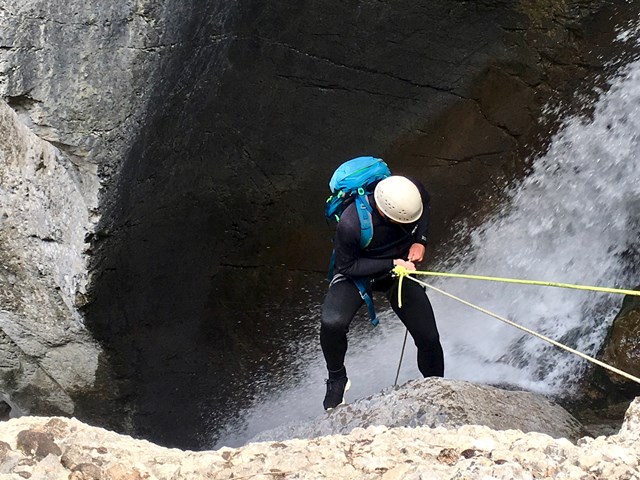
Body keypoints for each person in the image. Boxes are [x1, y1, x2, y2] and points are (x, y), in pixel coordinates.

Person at [320, 175, 444, 410]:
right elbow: (347, 266)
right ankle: (336, 377)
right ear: (386, 214)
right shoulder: (351, 223)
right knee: (332, 323)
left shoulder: (411, 190)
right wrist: (392, 263)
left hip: (397, 271)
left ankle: (436, 387)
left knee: (429, 337)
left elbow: (424, 204)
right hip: (358, 272)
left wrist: (421, 240)